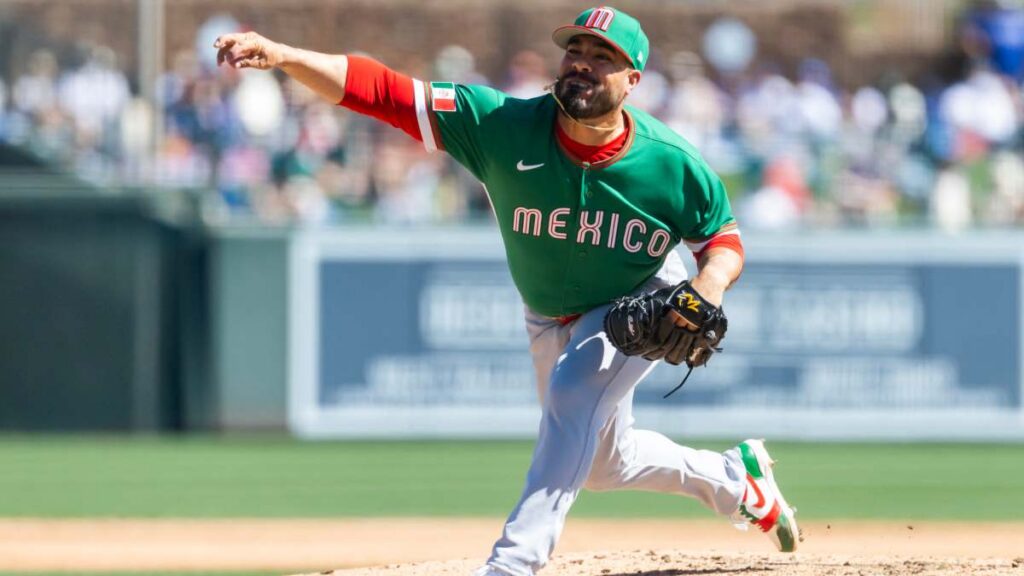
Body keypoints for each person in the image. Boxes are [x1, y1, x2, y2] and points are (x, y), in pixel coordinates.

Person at [215, 7, 800, 575]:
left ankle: (513, 564)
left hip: (635, 303)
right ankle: (736, 481)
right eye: (575, 49)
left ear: (633, 80)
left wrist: (710, 284)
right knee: (601, 464)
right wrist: (287, 56)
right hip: (547, 315)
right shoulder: (499, 126)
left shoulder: (670, 164)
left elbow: (721, 238)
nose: (582, 64)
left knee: (573, 397)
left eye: (603, 57)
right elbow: (384, 91)